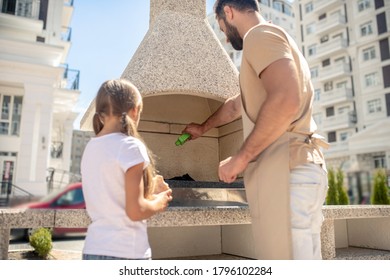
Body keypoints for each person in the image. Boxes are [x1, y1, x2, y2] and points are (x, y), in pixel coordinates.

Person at [183, 0, 329, 260]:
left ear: (228, 12)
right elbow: (236, 106)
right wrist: (203, 127)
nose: (226, 40)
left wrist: (240, 158)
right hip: (296, 171)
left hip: (288, 172)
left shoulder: (259, 36)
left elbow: (286, 99)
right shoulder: (275, 41)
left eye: (221, 28)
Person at [81, 79, 173, 260]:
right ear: (135, 111)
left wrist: (150, 191)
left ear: (101, 113)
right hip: (126, 252)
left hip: (93, 250)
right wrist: (160, 201)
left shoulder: (90, 149)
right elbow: (135, 211)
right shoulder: (130, 146)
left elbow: (113, 200)